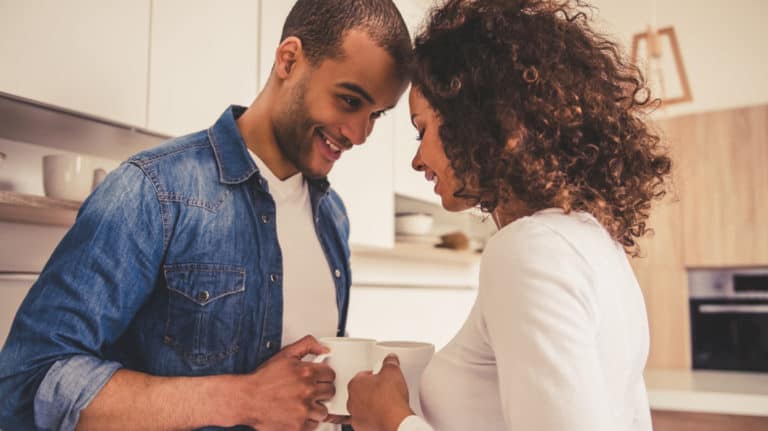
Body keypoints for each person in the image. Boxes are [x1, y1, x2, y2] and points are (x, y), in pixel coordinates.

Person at [0, 1, 411, 430]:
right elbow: (28, 381)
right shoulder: (152, 190)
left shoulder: (334, 217)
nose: (361, 135)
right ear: (289, 60)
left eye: (375, 116)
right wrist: (242, 397)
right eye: (349, 100)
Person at [346, 0, 672, 430]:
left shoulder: (528, 250)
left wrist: (392, 420)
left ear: (480, 119)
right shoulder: (594, 243)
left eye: (422, 129)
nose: (417, 160)